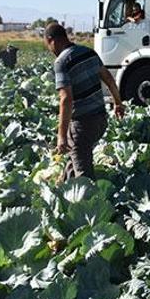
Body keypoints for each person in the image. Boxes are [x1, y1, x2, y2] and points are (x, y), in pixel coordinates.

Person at [44, 22, 125, 181]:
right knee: (76, 156)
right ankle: (64, 184)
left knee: (84, 179)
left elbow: (66, 99)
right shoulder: (88, 52)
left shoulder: (62, 62)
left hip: (83, 125)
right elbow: (108, 78)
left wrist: (61, 136)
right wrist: (118, 103)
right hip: (100, 121)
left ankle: (93, 203)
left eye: (47, 44)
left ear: (51, 40)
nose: (49, 49)